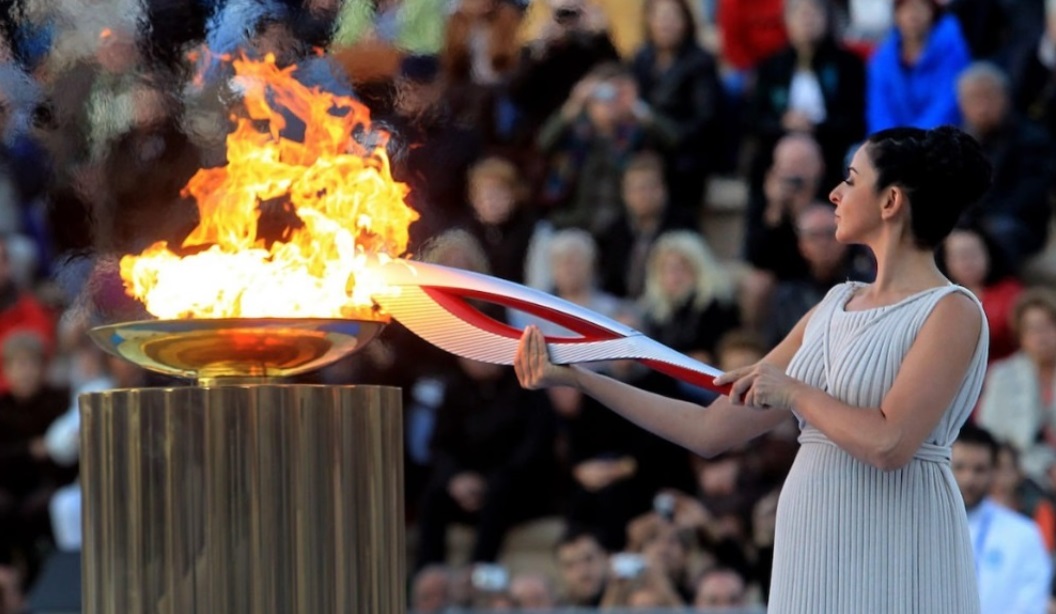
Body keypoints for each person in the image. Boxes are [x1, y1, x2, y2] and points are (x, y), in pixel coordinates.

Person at [514, 125, 994, 611]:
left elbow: (889, 444)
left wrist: (796, 394)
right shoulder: (833, 304)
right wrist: (579, 376)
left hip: (902, 535)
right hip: (812, 536)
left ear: (890, 201)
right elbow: (710, 428)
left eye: (850, 180)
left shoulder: (951, 310)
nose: (834, 192)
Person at [952, 424, 1052, 614]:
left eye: (979, 469)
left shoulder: (1023, 534)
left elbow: (1032, 604)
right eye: (959, 468)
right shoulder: (923, 528)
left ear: (993, 472)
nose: (968, 479)